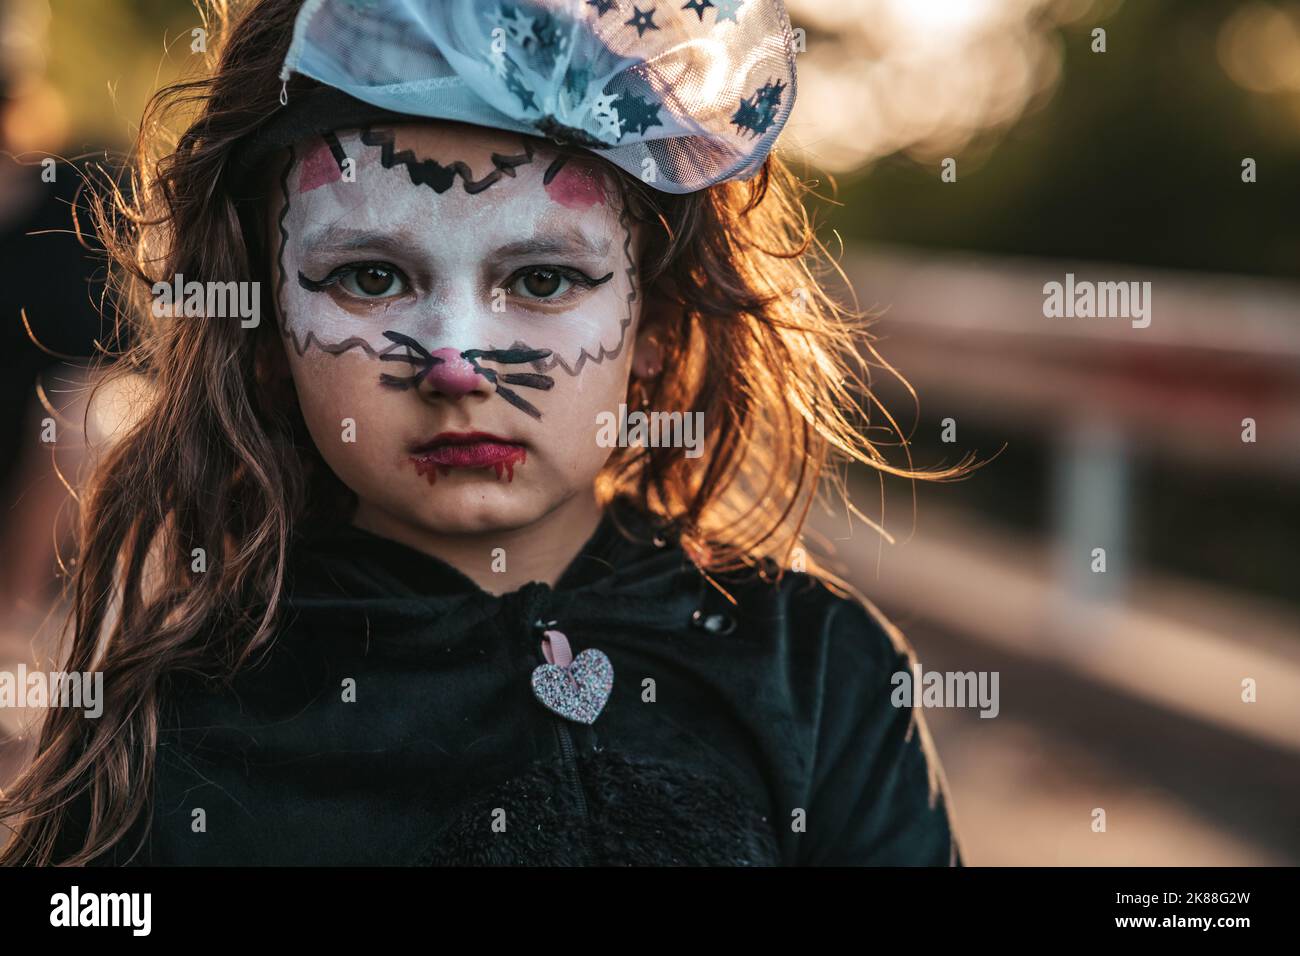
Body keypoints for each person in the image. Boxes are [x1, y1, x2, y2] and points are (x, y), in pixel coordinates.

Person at [0, 0, 963, 866]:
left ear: (658, 328)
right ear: (262, 336)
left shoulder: (818, 672)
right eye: (371, 277)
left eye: (542, 280)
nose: (455, 368)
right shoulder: (178, 727)